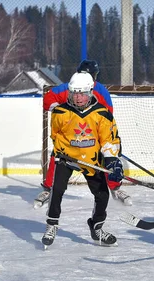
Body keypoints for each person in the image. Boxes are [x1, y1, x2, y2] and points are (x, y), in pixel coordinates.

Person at [42, 71, 123, 249]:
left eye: (82, 94)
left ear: (90, 93)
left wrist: (111, 159)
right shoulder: (60, 112)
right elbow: (55, 135)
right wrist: (61, 151)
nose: (78, 98)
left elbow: (109, 139)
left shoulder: (102, 114)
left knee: (102, 194)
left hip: (91, 159)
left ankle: (96, 227)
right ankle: (51, 224)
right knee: (57, 190)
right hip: (66, 158)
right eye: (74, 94)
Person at [35, 59, 131, 208]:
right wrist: (59, 111)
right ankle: (49, 189)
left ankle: (114, 187)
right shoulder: (69, 88)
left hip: (92, 137)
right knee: (58, 155)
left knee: (109, 156)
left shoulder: (101, 91)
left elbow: (108, 116)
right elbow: (49, 98)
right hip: (71, 136)